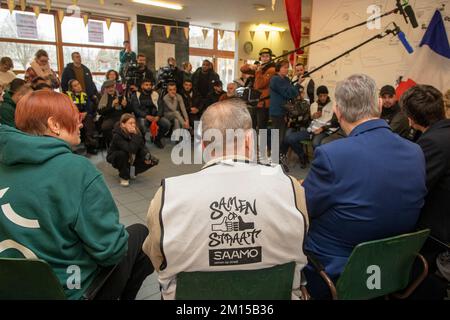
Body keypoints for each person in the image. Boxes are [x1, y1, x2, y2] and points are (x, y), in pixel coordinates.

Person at [143, 98, 309, 300]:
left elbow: (156, 256)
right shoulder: (291, 189)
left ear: (204, 145)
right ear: (249, 140)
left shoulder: (168, 194)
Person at [0, 91, 154, 300]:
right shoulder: (76, 169)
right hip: (71, 293)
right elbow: (111, 251)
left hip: (12, 289)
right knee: (141, 234)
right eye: (75, 116)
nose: (81, 123)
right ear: (54, 125)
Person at [302, 74, 427, 299]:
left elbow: (305, 210)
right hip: (391, 266)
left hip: (336, 270)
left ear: (338, 111)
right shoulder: (415, 151)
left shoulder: (332, 155)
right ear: (379, 104)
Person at [400, 85, 450, 245]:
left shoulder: (433, 142)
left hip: (434, 237)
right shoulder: (443, 133)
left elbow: (413, 188)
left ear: (411, 118)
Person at [107, 113, 159, 187]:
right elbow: (130, 149)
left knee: (152, 160)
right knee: (123, 154)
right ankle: (124, 176)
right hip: (117, 157)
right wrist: (135, 136)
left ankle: (132, 172)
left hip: (131, 157)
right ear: (123, 124)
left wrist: (147, 156)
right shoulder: (117, 135)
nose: (133, 125)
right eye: (130, 123)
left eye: (134, 123)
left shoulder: (137, 132)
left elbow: (142, 147)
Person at [269, 59, 299, 170]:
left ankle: (277, 160)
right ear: (279, 68)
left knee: (281, 137)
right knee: (277, 136)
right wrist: (297, 86)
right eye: (285, 67)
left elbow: (290, 93)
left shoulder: (286, 79)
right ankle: (274, 162)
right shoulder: (275, 79)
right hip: (277, 112)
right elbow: (288, 93)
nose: (287, 69)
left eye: (287, 67)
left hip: (284, 112)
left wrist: (293, 89)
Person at [240, 48, 276, 131]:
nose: (265, 58)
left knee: (261, 128)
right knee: (253, 126)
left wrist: (258, 71)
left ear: (270, 57)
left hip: (264, 103)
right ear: (260, 58)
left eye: (267, 56)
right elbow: (242, 69)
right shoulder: (260, 67)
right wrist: (250, 66)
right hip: (256, 102)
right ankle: (254, 143)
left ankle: (262, 144)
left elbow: (260, 84)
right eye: (263, 56)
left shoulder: (271, 70)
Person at [130, 78, 169, 149]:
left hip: (155, 116)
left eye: (150, 85)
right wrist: (146, 116)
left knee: (166, 124)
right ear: (142, 86)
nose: (149, 86)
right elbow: (136, 109)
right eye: (146, 85)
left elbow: (161, 106)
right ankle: (142, 141)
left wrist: (158, 116)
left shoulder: (156, 94)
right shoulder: (136, 95)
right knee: (142, 124)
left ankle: (156, 139)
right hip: (143, 116)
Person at [282, 86, 311, 169]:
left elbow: (303, 117)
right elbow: (289, 116)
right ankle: (302, 155)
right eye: (300, 92)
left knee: (294, 137)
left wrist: (293, 118)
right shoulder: (290, 103)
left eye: (302, 92)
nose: (301, 94)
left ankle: (302, 157)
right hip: (293, 126)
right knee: (286, 137)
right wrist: (291, 119)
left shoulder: (305, 103)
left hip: (303, 126)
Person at [66, 79, 98, 154]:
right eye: (75, 85)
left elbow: (89, 107)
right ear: (72, 88)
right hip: (72, 116)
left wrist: (86, 113)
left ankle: (90, 146)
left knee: (89, 120)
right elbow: (67, 108)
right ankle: (71, 148)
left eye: (78, 84)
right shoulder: (67, 96)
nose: (78, 86)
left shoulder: (84, 94)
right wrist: (78, 114)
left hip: (84, 116)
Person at [98, 79, 131, 143]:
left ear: (114, 87)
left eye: (112, 87)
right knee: (105, 127)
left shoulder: (121, 96)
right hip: (109, 118)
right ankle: (114, 143)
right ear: (105, 89)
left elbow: (129, 111)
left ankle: (122, 143)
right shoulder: (102, 98)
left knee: (121, 125)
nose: (110, 89)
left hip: (121, 117)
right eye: (108, 87)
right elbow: (100, 112)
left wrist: (125, 105)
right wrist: (112, 106)